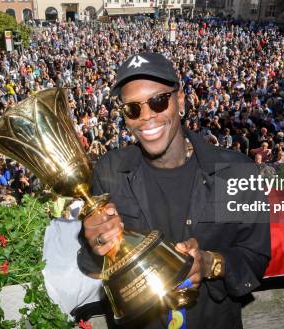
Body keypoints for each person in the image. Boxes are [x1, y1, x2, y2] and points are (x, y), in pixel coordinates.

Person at [78, 53, 270, 329]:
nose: (146, 118)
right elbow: (93, 263)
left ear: (180, 101)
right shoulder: (109, 171)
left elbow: (255, 257)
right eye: (132, 109)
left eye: (158, 101)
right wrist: (96, 244)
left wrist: (209, 263)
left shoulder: (237, 170)